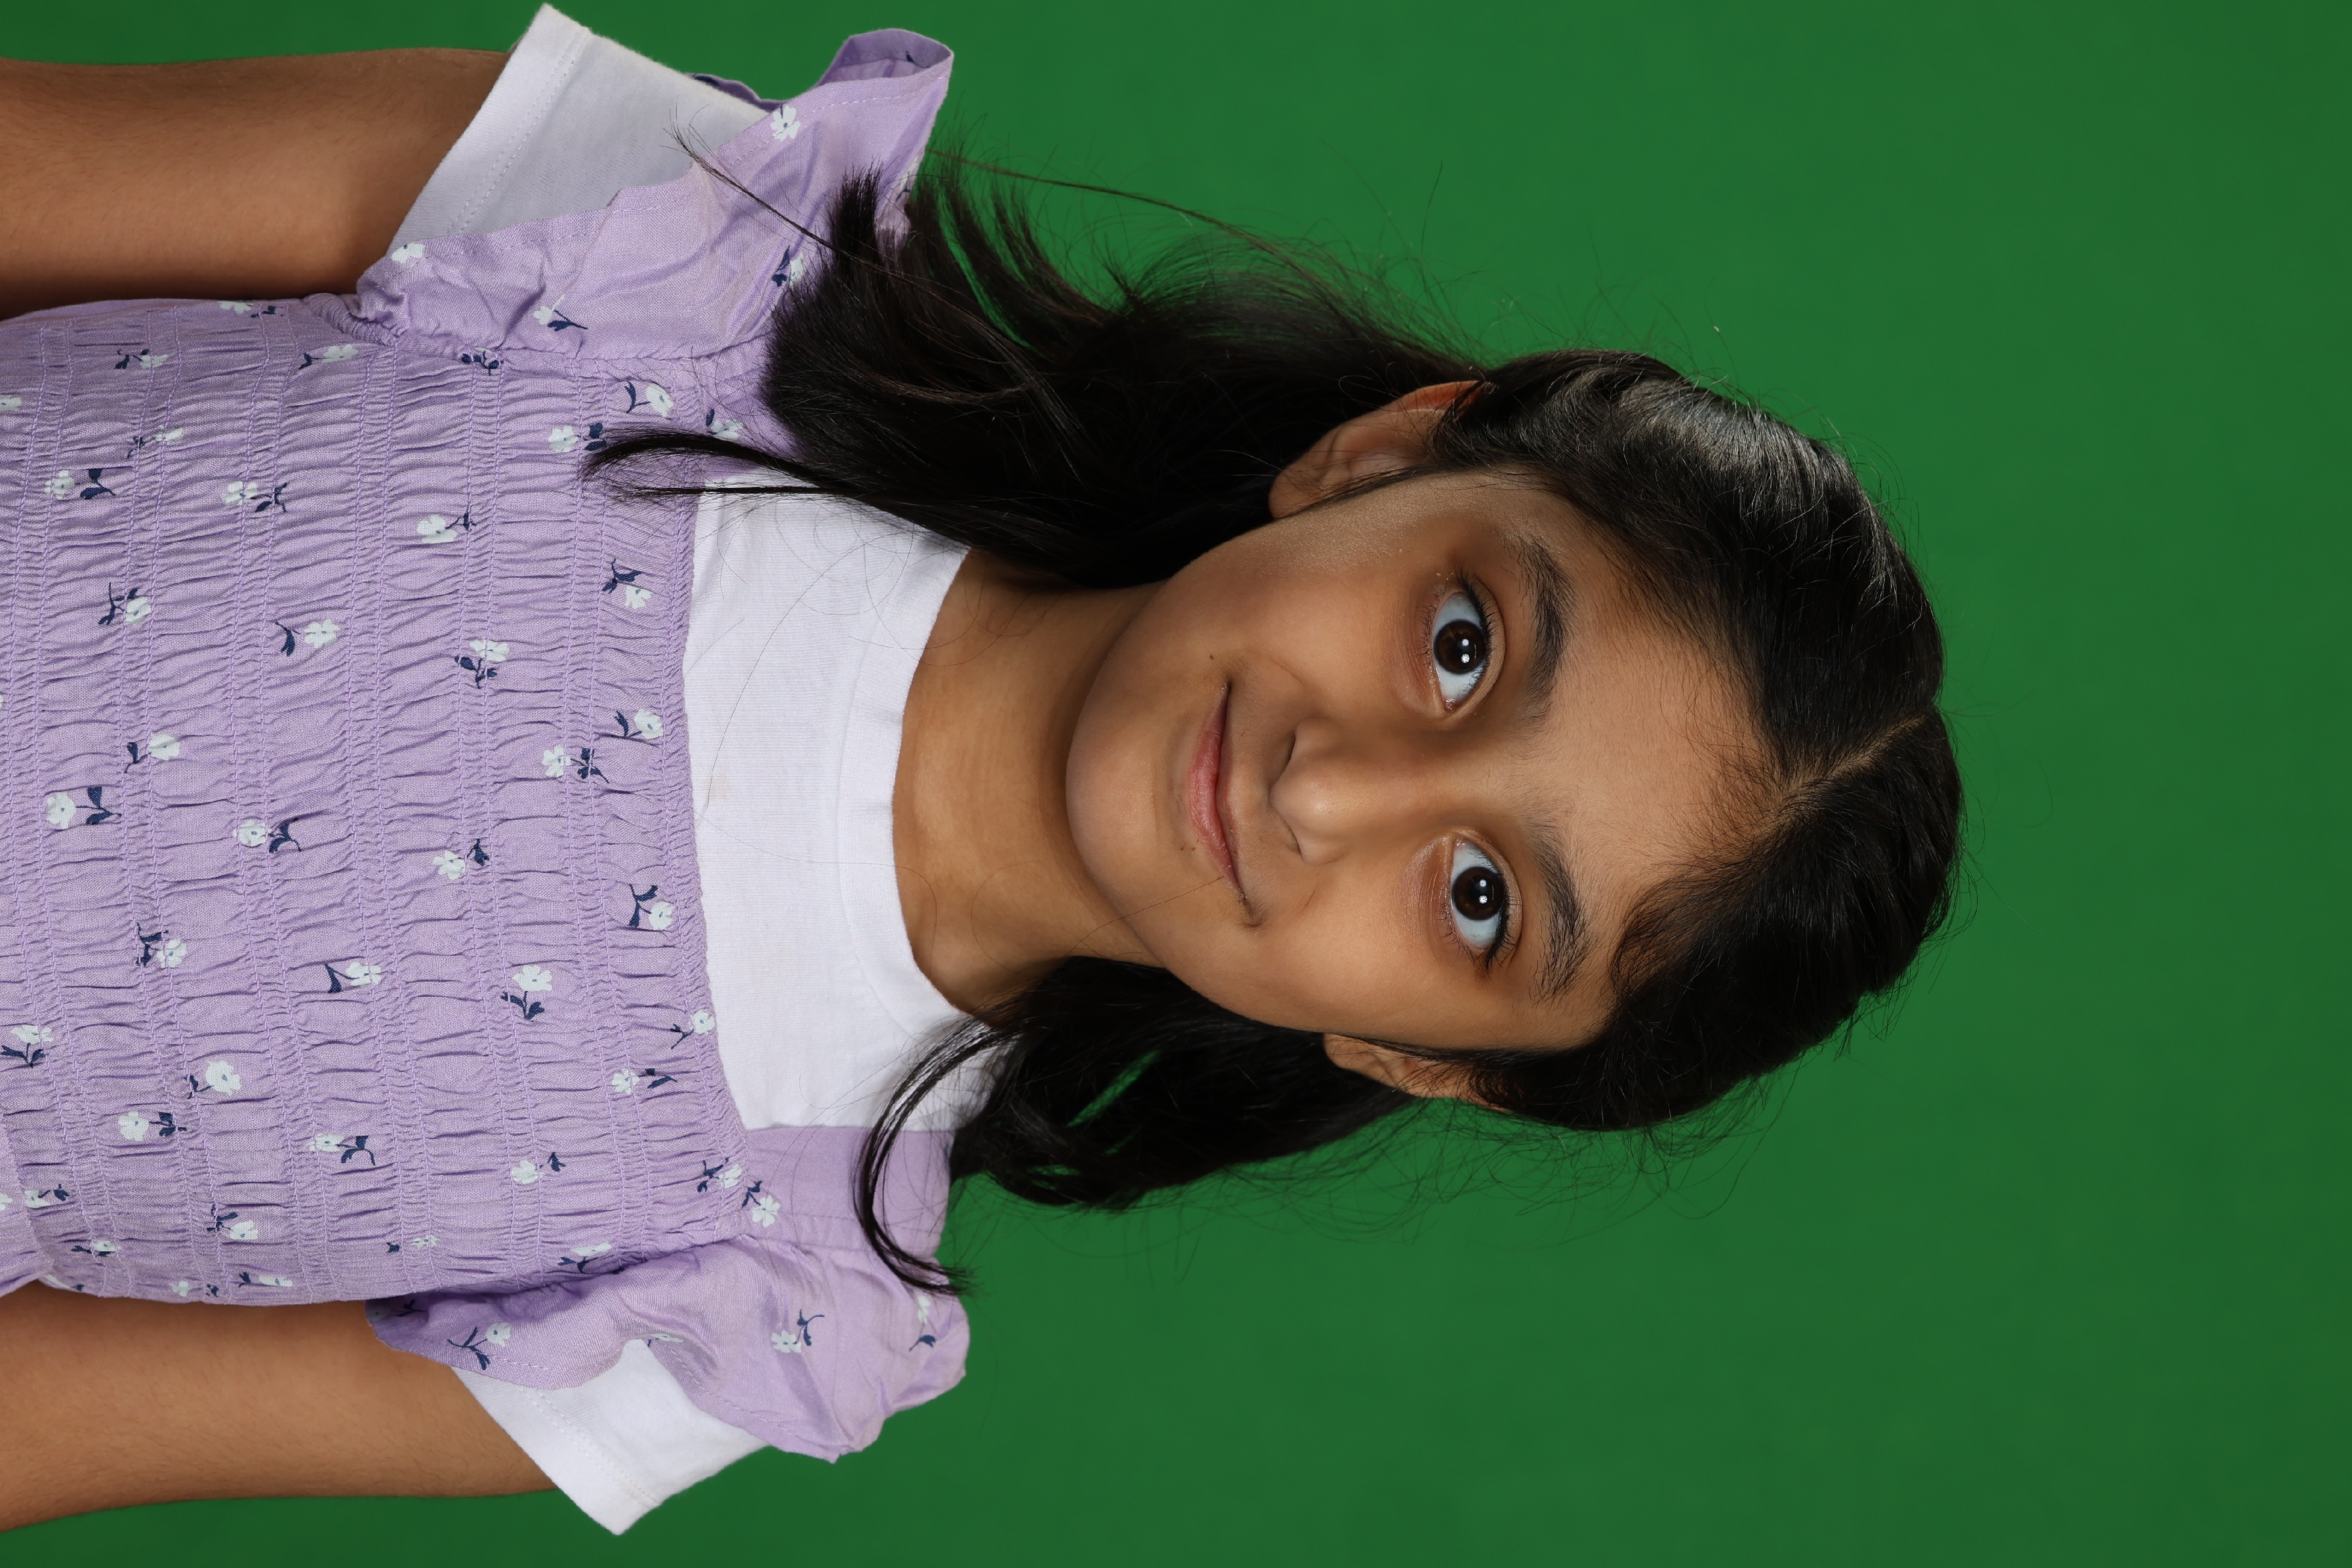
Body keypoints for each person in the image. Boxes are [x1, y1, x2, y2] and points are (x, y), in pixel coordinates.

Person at [0, 6, 1960, 1535]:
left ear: (1420, 1057)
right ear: (1391, 454)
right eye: (1461, 645)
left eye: (1477, 903)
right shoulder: (681, 248)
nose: (1325, 793)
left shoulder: (753, 1295)